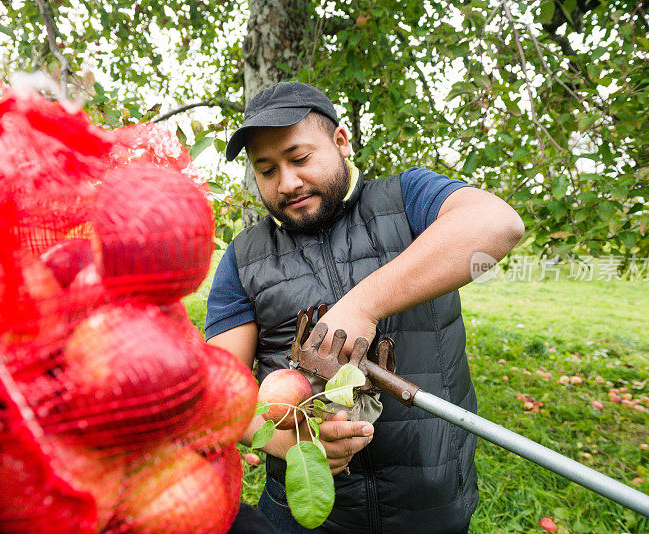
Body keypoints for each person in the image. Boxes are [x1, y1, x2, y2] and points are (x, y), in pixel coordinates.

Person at [206, 81, 524, 534]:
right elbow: (219, 396)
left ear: (340, 142)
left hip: (428, 508)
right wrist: (285, 442)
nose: (288, 182)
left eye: (299, 158)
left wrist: (363, 305)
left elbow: (497, 224)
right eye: (267, 170)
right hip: (304, 515)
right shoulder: (244, 257)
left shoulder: (407, 198)